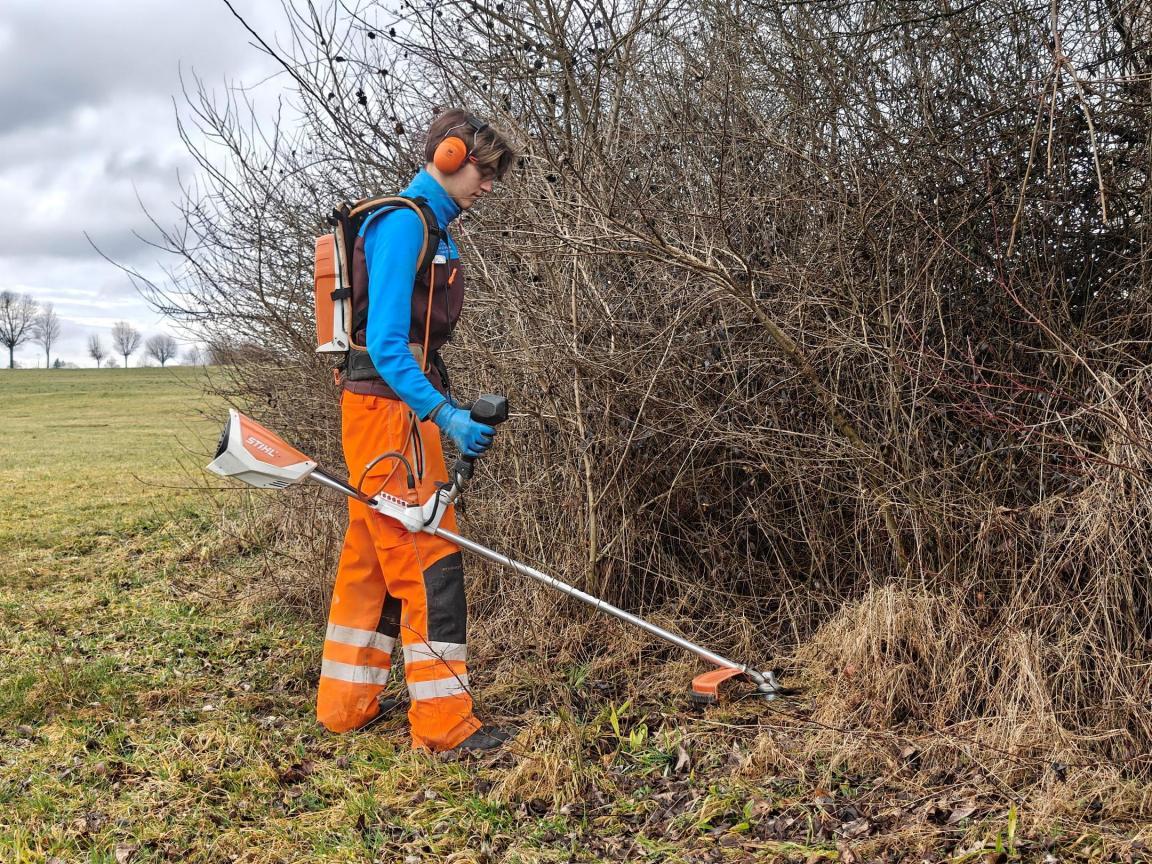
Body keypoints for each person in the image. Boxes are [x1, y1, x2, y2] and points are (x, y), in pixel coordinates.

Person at [316, 110, 516, 752]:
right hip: (388, 414)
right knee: (428, 558)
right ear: (451, 156)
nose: (488, 186)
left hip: (395, 412)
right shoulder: (404, 223)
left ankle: (345, 705)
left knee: (372, 560)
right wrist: (447, 414)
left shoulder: (432, 227)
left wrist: (439, 411)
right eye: (484, 172)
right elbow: (387, 345)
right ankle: (445, 726)